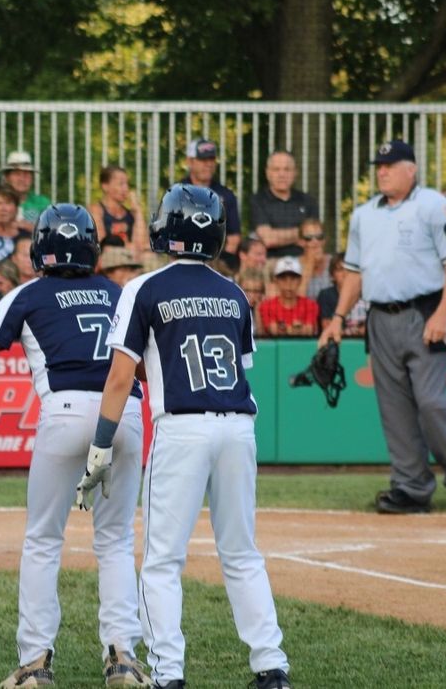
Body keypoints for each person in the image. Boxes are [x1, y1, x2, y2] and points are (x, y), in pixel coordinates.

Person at [0, 205, 151, 689]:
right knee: (114, 541)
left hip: (64, 412)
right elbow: (145, 368)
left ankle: (35, 664)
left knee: (44, 540)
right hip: (125, 412)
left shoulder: (26, 295)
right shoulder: (119, 292)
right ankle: (122, 658)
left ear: (39, 248)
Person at [76, 183, 293, 689]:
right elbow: (231, 367)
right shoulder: (235, 293)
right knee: (241, 554)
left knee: (161, 561)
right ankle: (271, 666)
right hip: (238, 426)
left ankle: (169, 674)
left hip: (182, 429)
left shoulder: (143, 288)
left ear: (166, 229)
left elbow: (118, 377)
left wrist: (101, 446)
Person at [319, 140, 446, 515]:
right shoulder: (363, 215)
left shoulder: (435, 206)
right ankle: (412, 487)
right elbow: (353, 273)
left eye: (390, 164)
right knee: (394, 407)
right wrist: (337, 318)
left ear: (411, 169)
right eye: (379, 165)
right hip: (379, 318)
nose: (382, 170)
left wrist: (442, 313)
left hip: (426, 313)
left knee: (433, 403)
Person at [248, 151, 319, 258]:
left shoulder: (308, 201)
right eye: (276, 169)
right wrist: (300, 233)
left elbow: (314, 238)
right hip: (269, 265)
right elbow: (268, 239)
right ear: (268, 173)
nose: (282, 174)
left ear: (295, 173)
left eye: (287, 169)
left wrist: (278, 235)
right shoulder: (258, 200)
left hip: (302, 263)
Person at [181, 138, 241, 255]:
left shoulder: (226, 195)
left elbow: (234, 238)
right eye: (203, 159)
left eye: (212, 159)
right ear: (189, 161)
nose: (208, 164)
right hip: (183, 256)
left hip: (218, 260)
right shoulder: (177, 193)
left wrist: (218, 263)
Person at [89, 165, 149, 256]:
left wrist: (138, 211)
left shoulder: (131, 214)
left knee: (148, 255)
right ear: (105, 186)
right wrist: (129, 247)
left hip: (130, 260)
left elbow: (142, 245)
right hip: (108, 261)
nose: (126, 189)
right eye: (121, 184)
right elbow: (102, 244)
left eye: (127, 184)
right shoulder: (96, 210)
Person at [257, 258, 319, 337]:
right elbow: (274, 331)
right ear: (276, 281)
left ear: (300, 280)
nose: (288, 284)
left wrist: (285, 329)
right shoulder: (267, 306)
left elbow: (308, 331)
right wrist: (296, 329)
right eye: (283, 279)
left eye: (293, 279)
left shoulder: (310, 305)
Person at [316, 254, 366, 338]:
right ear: (332, 276)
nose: (345, 274)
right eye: (340, 270)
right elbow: (326, 326)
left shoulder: (367, 294)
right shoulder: (326, 295)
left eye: (349, 270)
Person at [0, 151, 52, 232]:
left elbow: (52, 231)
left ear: (32, 178)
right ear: (7, 177)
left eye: (26, 174)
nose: (22, 179)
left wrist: (29, 227)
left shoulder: (43, 203)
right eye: (17, 174)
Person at [295, 218, 331, 298]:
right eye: (308, 238)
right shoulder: (294, 265)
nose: (315, 241)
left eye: (319, 237)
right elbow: (297, 301)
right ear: (301, 242)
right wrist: (310, 264)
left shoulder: (333, 263)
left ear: (324, 240)